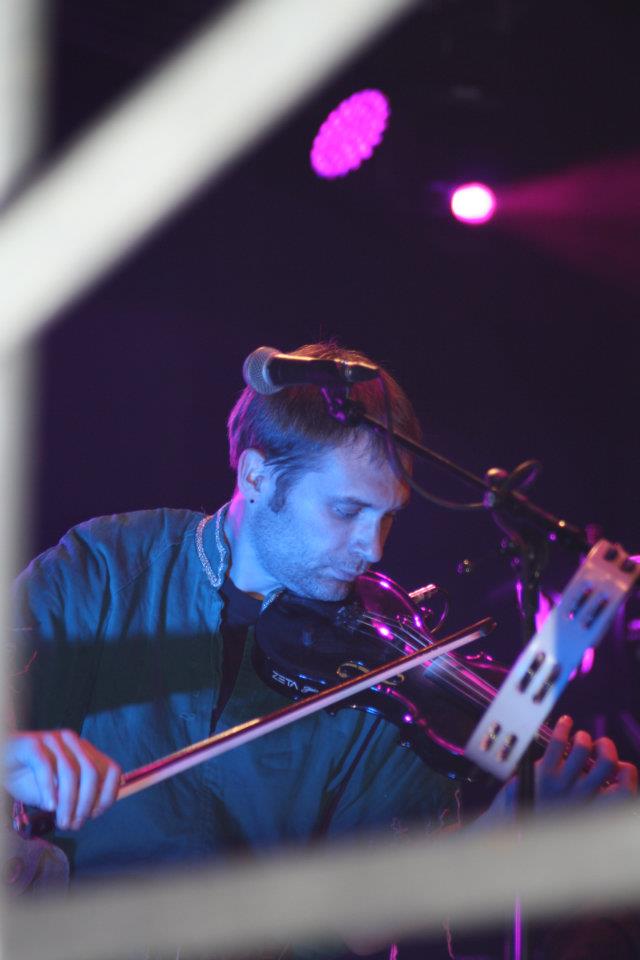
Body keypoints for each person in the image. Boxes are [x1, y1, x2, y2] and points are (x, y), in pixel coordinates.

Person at [5, 342, 638, 957]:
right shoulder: (110, 567)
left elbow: (360, 922)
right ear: (256, 476)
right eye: (346, 510)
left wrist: (514, 827)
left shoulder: (385, 670)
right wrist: (16, 754)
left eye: (388, 516)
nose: (374, 548)